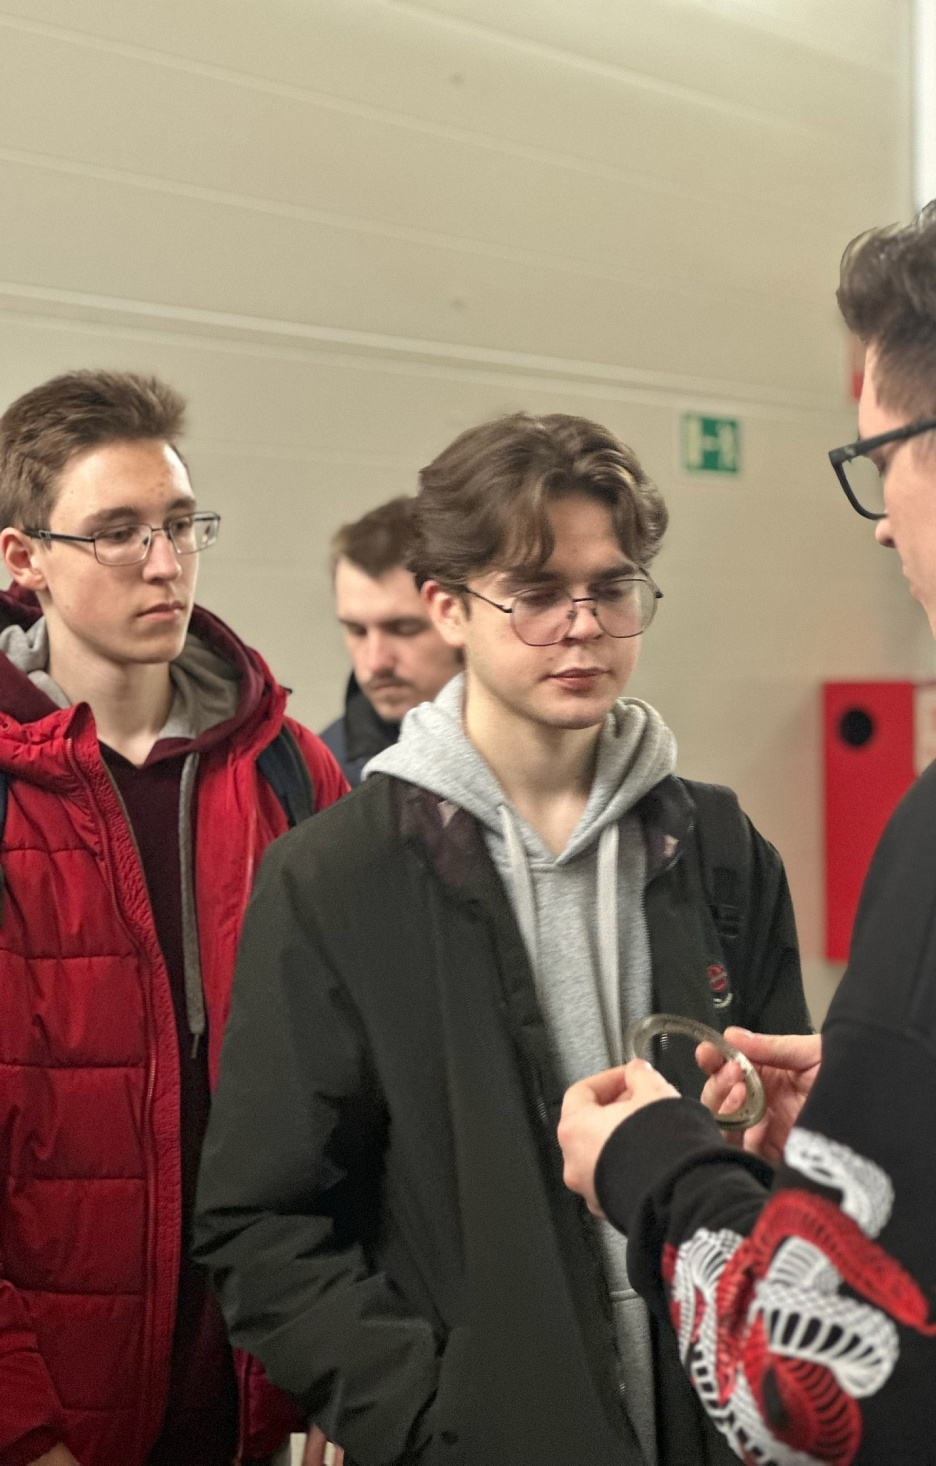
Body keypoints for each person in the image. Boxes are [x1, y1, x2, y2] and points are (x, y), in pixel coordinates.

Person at [557, 166, 936, 1466]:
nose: (880, 529)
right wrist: (903, 1117)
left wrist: (661, 1166)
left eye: (879, 461)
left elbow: (821, 1401)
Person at [193, 412, 812, 1466]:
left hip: (725, 1427)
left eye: (611, 588)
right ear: (448, 606)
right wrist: (433, 1418)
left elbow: (781, 1142)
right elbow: (263, 1225)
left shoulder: (718, 846)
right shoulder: (335, 876)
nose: (582, 626)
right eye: (534, 593)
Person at [0, 371, 347, 1466]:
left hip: (258, 1390)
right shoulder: (12, 789)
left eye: (181, 524)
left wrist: (349, 1369)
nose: (165, 563)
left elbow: (367, 1095)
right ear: (23, 559)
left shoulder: (292, 771)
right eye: (117, 533)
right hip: (55, 1404)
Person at [320, 497, 463, 785]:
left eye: (404, 628)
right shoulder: (321, 775)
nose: (376, 662)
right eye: (357, 630)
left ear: (458, 615)